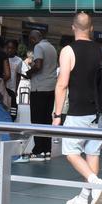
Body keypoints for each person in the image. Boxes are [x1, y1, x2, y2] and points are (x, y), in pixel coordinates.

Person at [53, 11, 102, 204]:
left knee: (71, 152)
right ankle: (84, 198)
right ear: (91, 29)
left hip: (78, 111)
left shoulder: (68, 51)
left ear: (73, 28)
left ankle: (95, 183)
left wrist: (57, 115)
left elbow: (62, 84)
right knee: (93, 153)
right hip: (101, 113)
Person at [26, 30, 58, 161]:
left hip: (39, 88)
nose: (30, 42)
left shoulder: (38, 47)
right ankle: (47, 150)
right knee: (46, 120)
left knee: (37, 120)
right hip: (51, 88)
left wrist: (29, 72)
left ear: (35, 38)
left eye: (30, 39)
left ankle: (38, 150)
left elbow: (38, 65)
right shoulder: (52, 47)